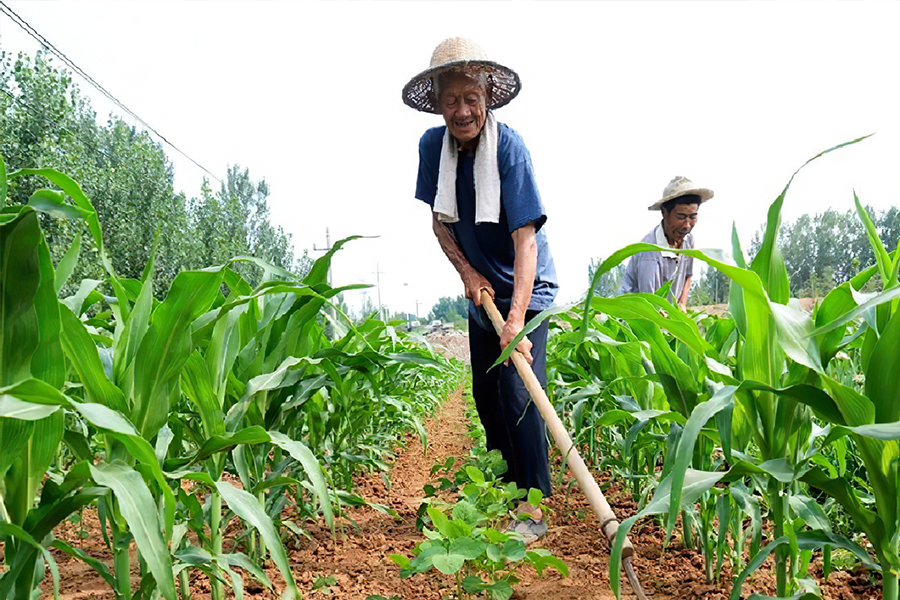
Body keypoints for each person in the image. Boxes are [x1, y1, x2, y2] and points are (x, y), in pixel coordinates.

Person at [403, 37, 558, 542]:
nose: (463, 110)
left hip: (525, 288)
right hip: (481, 288)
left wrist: (516, 320)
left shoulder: (509, 149)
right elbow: (439, 225)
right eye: (452, 100)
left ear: (487, 96)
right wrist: (468, 276)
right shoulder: (433, 148)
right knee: (486, 395)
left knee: (518, 393)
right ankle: (509, 488)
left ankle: (534, 509)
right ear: (438, 102)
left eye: (472, 98)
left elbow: (525, 240)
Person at [620, 176, 714, 310]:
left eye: (693, 217)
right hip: (640, 318)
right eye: (680, 217)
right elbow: (651, 305)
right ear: (664, 213)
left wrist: (682, 303)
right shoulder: (650, 253)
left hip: (666, 314)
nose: (687, 225)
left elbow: (688, 276)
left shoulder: (688, 240)